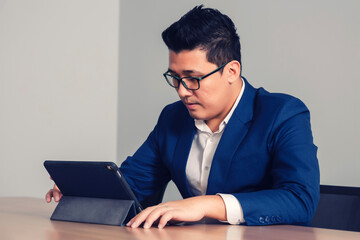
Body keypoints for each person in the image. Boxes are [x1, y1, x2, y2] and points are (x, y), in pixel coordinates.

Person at [46, 5, 320, 229]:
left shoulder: (283, 114)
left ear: (232, 72)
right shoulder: (172, 118)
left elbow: (300, 199)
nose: (181, 91)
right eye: (175, 78)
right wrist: (85, 189)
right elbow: (134, 183)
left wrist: (207, 204)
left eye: (193, 78)